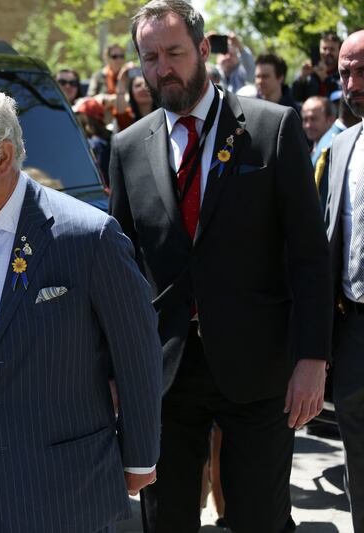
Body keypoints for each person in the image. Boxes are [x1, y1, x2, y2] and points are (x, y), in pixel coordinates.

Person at [109, 1, 333, 532]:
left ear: (204, 51)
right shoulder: (128, 147)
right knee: (165, 521)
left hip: (261, 371)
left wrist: (312, 359)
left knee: (260, 518)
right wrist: (117, 367)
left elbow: (308, 254)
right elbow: (122, 271)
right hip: (165, 374)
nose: (163, 68)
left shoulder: (271, 128)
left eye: (174, 53)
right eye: (150, 56)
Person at [0, 82, 162, 532]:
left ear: (4, 156)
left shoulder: (88, 236)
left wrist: (140, 456)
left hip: (61, 489)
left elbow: (137, 354)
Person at [324, 29, 364, 533]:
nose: (352, 84)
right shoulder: (340, 149)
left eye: (362, 70)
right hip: (354, 336)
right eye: (344, 73)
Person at [293, 33, 343, 102]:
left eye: (332, 49)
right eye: (324, 48)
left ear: (339, 51)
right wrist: (302, 78)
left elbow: (342, 96)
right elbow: (295, 98)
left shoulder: (343, 72)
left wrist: (326, 79)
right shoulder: (310, 74)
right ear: (319, 49)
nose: (327, 52)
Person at [301, 96, 336, 164]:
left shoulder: (335, 151)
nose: (308, 125)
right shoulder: (305, 151)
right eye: (305, 120)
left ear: (330, 119)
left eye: (313, 119)